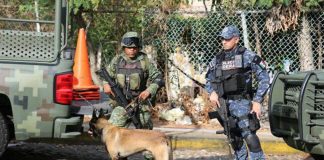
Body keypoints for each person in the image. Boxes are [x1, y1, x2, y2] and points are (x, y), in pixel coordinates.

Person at [205, 25, 270, 160]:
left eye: (227, 39)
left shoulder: (247, 56)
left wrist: (257, 101)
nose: (223, 42)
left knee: (250, 137)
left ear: (236, 39)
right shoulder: (218, 59)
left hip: (243, 103)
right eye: (222, 39)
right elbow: (208, 78)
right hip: (224, 105)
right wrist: (211, 92)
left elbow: (264, 77)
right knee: (235, 139)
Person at [103, 31, 164, 130]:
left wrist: (149, 91)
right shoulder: (117, 60)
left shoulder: (144, 61)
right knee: (111, 131)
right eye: (129, 48)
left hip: (140, 103)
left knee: (146, 132)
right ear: (124, 48)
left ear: (138, 47)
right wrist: (106, 84)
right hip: (121, 104)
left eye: (135, 48)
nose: (132, 50)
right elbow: (106, 75)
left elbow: (159, 78)